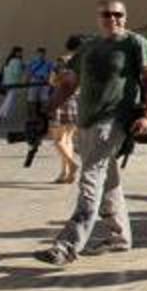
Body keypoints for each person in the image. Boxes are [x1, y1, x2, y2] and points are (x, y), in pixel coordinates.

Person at [35, 0, 147, 265]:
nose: (113, 18)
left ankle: (66, 246)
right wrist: (46, 110)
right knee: (108, 178)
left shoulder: (135, 43)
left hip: (113, 122)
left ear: (125, 17)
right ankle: (119, 237)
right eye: (107, 14)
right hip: (86, 123)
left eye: (118, 14)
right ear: (99, 17)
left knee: (90, 181)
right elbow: (69, 83)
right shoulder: (89, 47)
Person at [45, 36, 84, 185]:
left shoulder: (62, 60)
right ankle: (65, 173)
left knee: (57, 139)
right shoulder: (83, 62)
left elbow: (52, 80)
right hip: (77, 100)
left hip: (61, 100)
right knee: (68, 138)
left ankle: (72, 165)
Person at [0, 46, 25, 125]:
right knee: (10, 100)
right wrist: (22, 68)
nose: (21, 53)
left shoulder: (8, 61)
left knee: (8, 99)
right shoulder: (17, 61)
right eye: (20, 52)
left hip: (7, 83)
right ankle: (2, 116)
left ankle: (1, 115)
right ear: (16, 53)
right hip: (14, 83)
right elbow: (16, 73)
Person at [24, 48, 55, 120]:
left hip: (44, 82)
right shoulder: (32, 61)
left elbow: (52, 70)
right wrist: (27, 79)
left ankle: (43, 116)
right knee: (31, 99)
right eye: (39, 54)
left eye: (42, 54)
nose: (41, 55)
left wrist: (49, 79)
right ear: (37, 54)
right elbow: (28, 70)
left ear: (44, 54)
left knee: (45, 99)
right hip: (34, 81)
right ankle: (32, 116)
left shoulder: (48, 62)